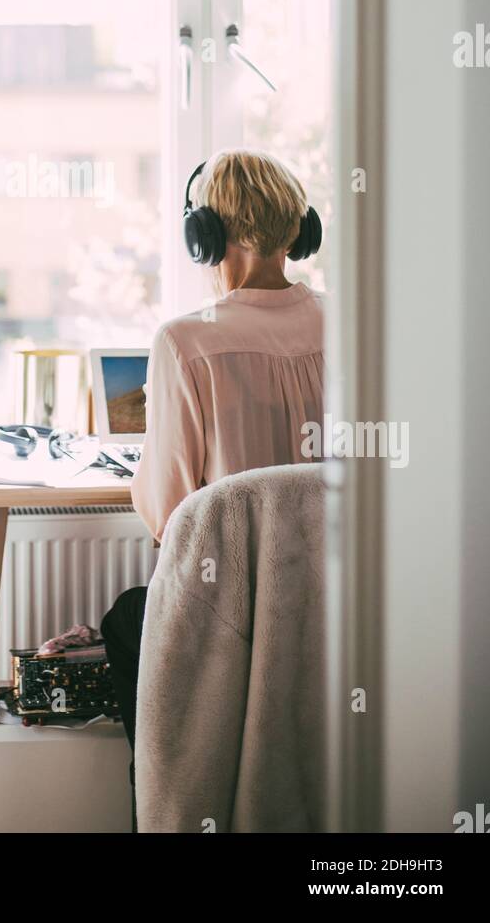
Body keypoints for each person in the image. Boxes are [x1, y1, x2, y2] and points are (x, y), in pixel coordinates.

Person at [101, 149, 325, 751]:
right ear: (301, 231)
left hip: (241, 611)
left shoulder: (184, 342)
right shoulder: (358, 325)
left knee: (125, 620)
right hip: (344, 605)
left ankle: (162, 793)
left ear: (204, 237)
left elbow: (170, 517)